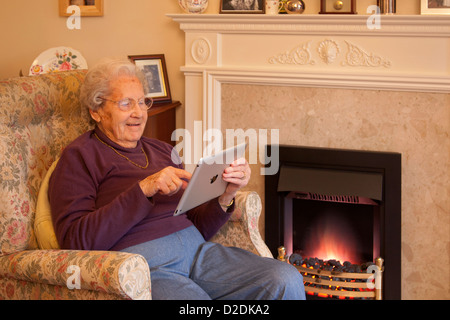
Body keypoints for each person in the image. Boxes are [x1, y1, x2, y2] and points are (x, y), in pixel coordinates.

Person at [48, 58, 305, 300]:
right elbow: (74, 240)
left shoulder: (162, 150)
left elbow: (198, 224)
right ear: (97, 111)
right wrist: (143, 189)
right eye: (126, 104)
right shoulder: (79, 156)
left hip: (199, 255)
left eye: (142, 102)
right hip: (146, 268)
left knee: (284, 278)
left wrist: (225, 194)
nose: (138, 113)